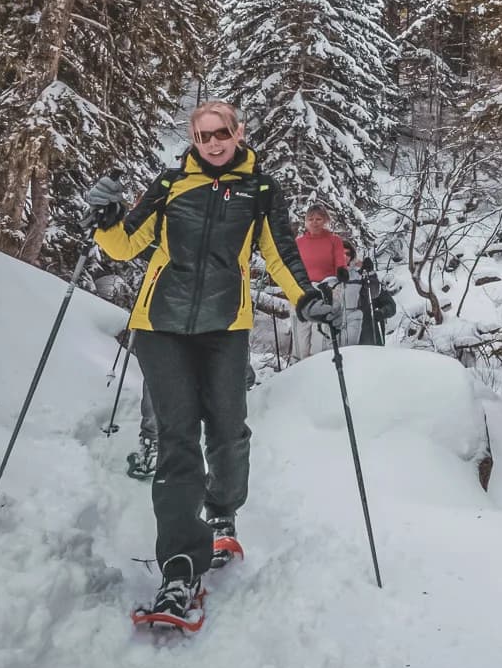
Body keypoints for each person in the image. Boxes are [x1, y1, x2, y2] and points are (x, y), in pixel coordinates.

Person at [83, 101, 341, 633]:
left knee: (227, 428)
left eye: (222, 132)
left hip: (225, 325)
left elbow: (280, 255)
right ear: (193, 139)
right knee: (178, 439)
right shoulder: (170, 182)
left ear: (239, 132)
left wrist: (307, 298)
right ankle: (180, 565)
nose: (213, 142)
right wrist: (106, 217)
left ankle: (222, 510)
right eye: (203, 136)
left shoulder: (262, 191)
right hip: (161, 325)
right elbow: (124, 244)